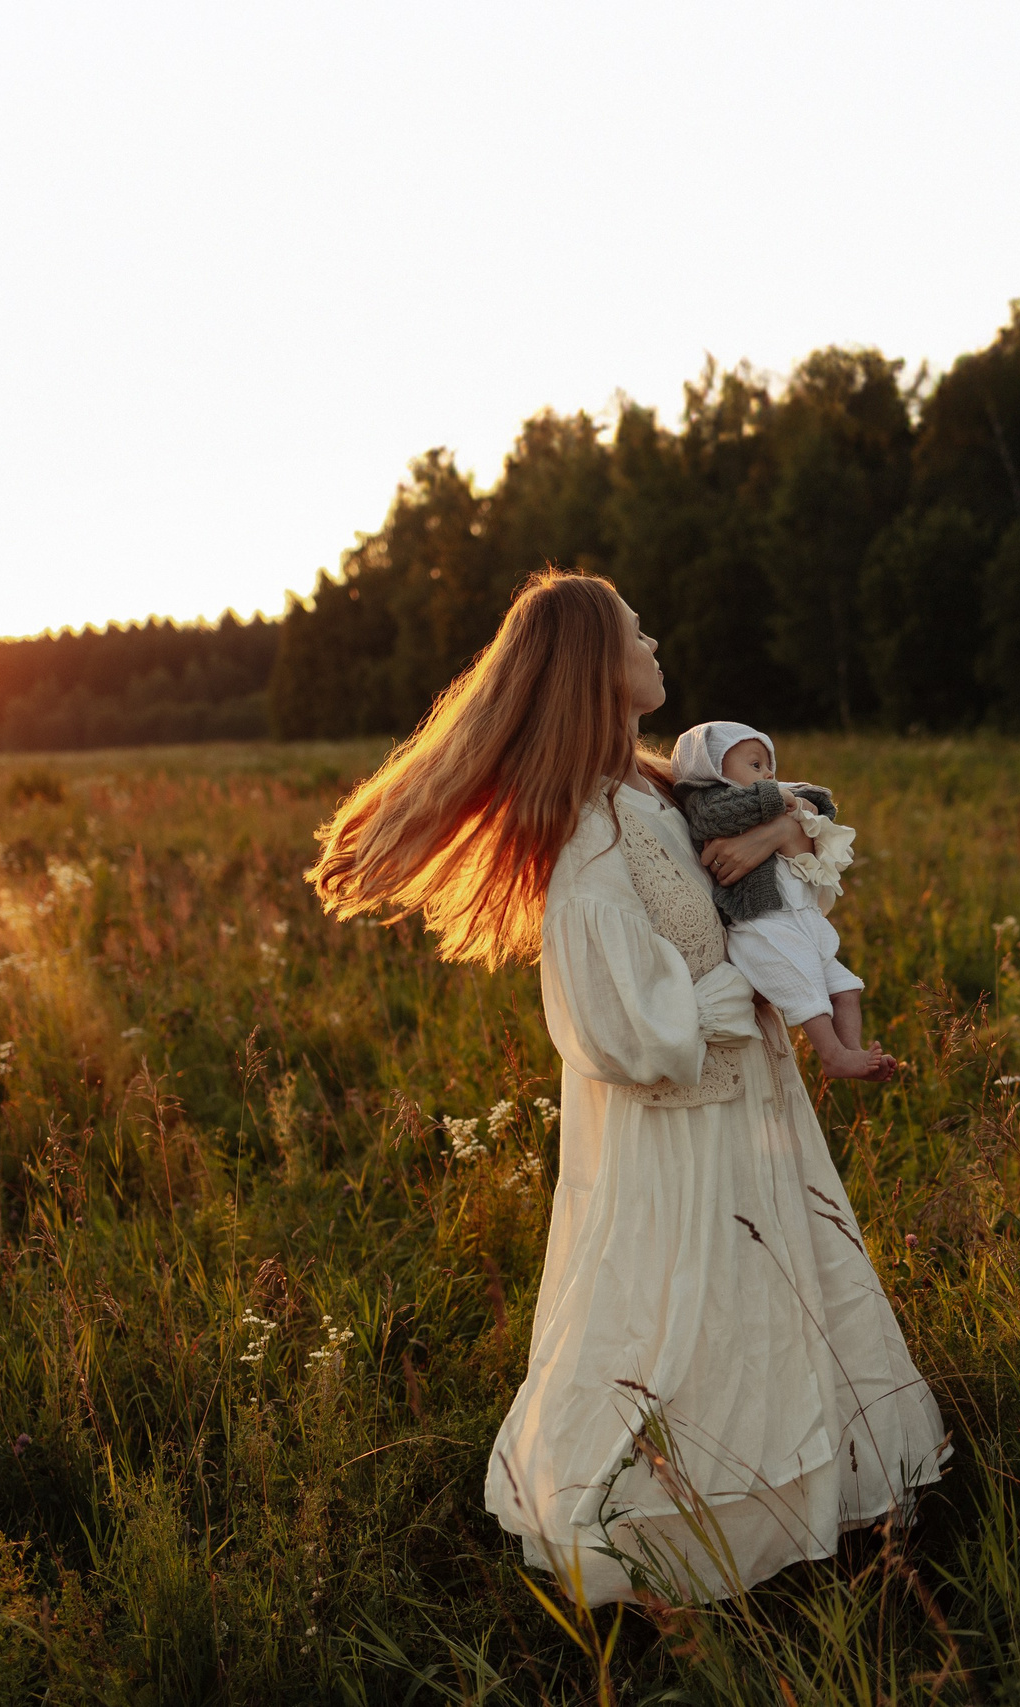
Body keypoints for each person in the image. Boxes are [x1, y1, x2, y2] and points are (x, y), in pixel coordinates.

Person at [305, 569, 947, 1604]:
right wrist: (742, 995)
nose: (653, 640)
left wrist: (783, 839)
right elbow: (617, 1030)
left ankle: (801, 1516)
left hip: (753, 1111)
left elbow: (790, 872)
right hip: (681, 1135)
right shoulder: (589, 835)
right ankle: (678, 1542)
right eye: (634, 631)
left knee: (773, 1309)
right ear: (593, 668)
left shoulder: (663, 789)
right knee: (685, 1322)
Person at [669, 719, 889, 1081]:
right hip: (764, 926)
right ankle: (831, 1055)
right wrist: (781, 802)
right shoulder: (707, 800)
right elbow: (718, 815)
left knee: (846, 988)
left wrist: (797, 801)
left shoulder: (765, 794)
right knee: (807, 991)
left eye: (769, 765)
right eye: (755, 765)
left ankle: (852, 1052)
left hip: (804, 920)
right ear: (711, 770)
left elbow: (821, 802)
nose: (769, 774)